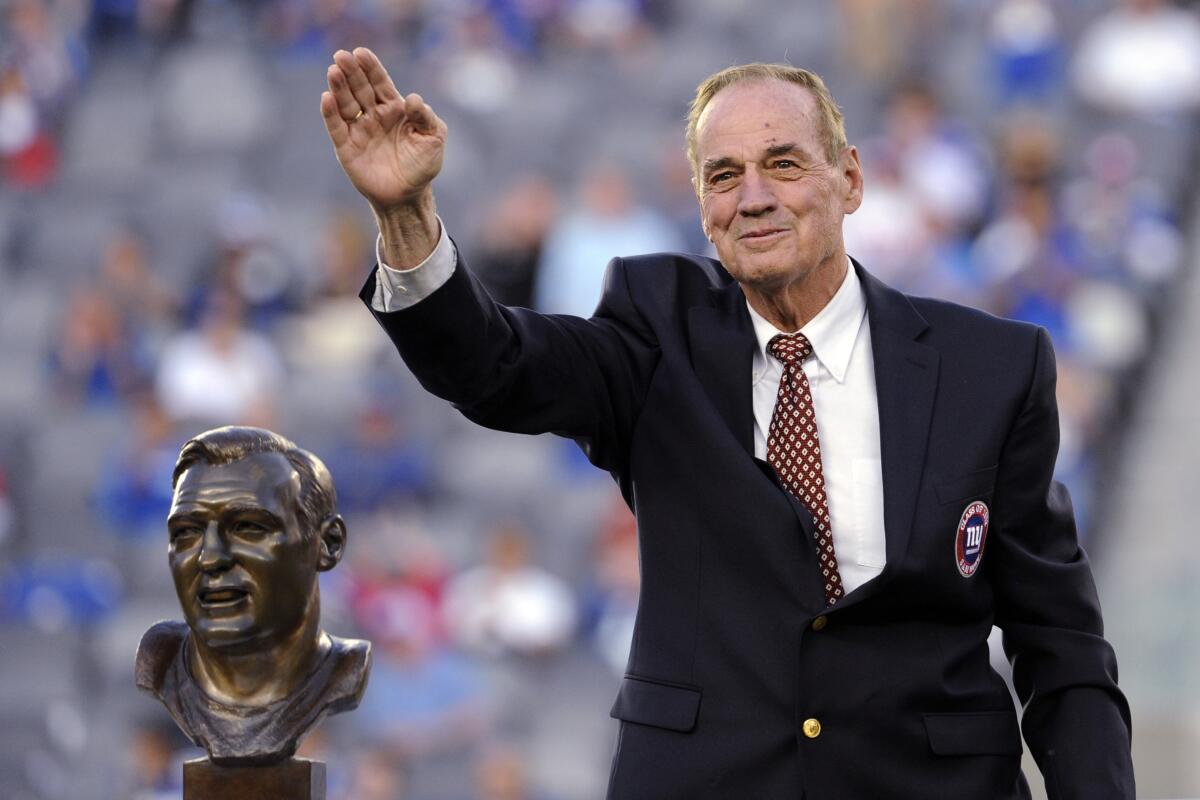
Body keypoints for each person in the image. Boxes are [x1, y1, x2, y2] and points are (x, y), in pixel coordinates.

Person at [321, 48, 1134, 798]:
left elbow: (1059, 641)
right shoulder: (652, 329)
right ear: (703, 206)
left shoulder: (989, 367)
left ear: (849, 180)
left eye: (783, 164)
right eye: (723, 175)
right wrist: (405, 217)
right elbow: (494, 365)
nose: (753, 197)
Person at [135, 426, 371, 766]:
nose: (211, 557)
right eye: (187, 533)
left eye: (249, 527)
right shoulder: (160, 663)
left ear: (328, 544)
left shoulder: (344, 671)